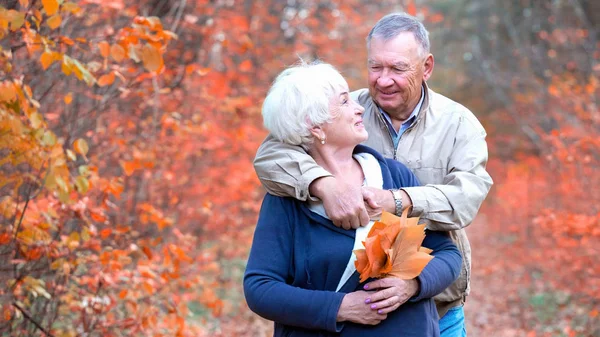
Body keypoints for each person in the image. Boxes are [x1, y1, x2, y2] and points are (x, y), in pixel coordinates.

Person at [253, 13, 493, 337]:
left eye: (397, 68)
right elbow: (271, 151)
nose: (382, 80)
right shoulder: (343, 107)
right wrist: (324, 185)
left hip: (438, 306)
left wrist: (397, 201)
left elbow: (465, 202)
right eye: (375, 67)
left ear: (426, 68)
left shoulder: (457, 125)